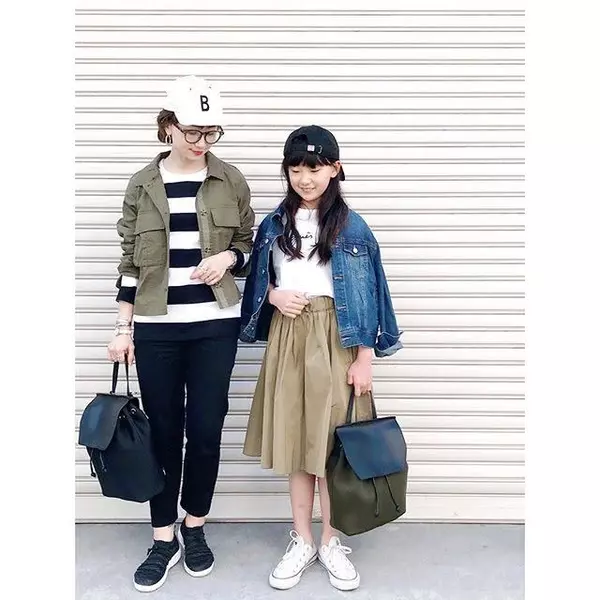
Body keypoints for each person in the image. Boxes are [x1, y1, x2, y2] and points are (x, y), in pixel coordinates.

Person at [106, 75, 255, 593]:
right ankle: (162, 536)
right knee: (164, 432)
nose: (201, 142)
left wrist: (228, 258)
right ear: (168, 126)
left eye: (211, 133)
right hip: (157, 329)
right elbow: (130, 262)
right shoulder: (142, 185)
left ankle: (195, 526)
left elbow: (248, 245)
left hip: (215, 325)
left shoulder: (230, 180)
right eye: (192, 131)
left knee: (207, 430)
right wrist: (123, 327)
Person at [239, 125, 402, 591]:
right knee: (297, 443)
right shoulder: (273, 225)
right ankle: (303, 540)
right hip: (289, 337)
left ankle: (331, 540)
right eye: (295, 168)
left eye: (314, 167)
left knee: (333, 447)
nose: (305, 178)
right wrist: (274, 296)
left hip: (336, 338)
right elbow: (259, 285)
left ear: (335, 169)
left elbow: (371, 293)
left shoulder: (353, 227)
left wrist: (365, 357)